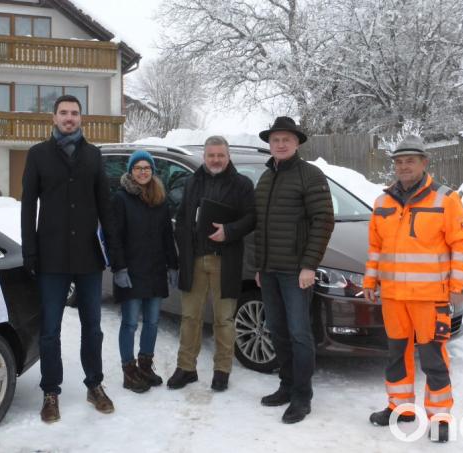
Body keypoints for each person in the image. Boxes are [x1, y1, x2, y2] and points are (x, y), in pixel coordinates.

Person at [363, 135, 463, 443]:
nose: (403, 166)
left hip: (430, 298)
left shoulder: (445, 199)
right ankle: (400, 409)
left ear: (425, 163)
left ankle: (439, 418)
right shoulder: (382, 202)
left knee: (434, 359)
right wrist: (370, 281)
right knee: (396, 356)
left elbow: (461, 244)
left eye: (410, 160)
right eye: (398, 162)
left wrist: (457, 286)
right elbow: (376, 247)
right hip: (394, 298)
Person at [20, 94, 114, 423]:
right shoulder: (38, 155)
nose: (69, 118)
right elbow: (28, 205)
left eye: (74, 113)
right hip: (52, 257)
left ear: (81, 118)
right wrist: (29, 250)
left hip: (88, 257)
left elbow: (105, 205)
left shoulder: (94, 156)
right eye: (64, 113)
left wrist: (112, 249)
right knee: (50, 330)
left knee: (93, 327)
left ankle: (95, 385)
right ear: (54, 118)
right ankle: (50, 391)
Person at [254, 116, 334, 424]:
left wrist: (309, 265)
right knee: (279, 331)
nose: (281, 144)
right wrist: (259, 267)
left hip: (295, 272)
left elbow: (323, 221)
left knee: (300, 334)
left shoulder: (309, 175)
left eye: (286, 139)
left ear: (297, 142)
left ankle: (302, 397)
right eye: (276, 140)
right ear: (270, 144)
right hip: (270, 272)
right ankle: (286, 386)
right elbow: (261, 227)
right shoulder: (266, 179)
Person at [167, 135, 255, 392]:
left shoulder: (242, 184)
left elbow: (252, 218)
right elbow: (182, 216)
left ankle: (222, 370)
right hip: (194, 259)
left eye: (220, 155)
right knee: (190, 317)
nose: (216, 160)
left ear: (228, 156)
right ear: (204, 157)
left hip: (224, 260)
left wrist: (229, 230)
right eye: (211, 155)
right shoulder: (193, 181)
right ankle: (186, 368)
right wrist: (186, 236)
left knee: (224, 320)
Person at [108, 150, 179, 393]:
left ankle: (145, 365)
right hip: (131, 270)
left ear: (152, 171)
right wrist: (118, 268)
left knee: (152, 322)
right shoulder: (121, 198)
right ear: (130, 171)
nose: (142, 172)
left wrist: (173, 264)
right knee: (129, 323)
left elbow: (167, 236)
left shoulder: (159, 198)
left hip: (156, 269)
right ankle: (129, 371)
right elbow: (113, 237)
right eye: (137, 168)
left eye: (146, 168)